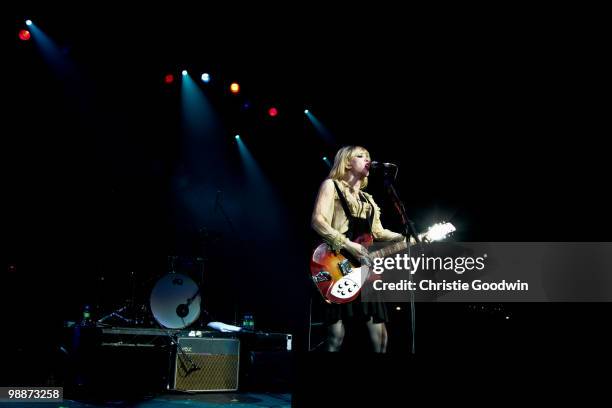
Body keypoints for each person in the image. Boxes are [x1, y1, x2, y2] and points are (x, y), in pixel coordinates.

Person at [311, 145, 405, 353]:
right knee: (336, 336)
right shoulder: (332, 186)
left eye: (369, 156)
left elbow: (379, 232)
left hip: (366, 269)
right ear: (346, 162)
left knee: (380, 337)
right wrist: (348, 244)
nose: (367, 159)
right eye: (361, 156)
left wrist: (408, 238)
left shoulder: (367, 199)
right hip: (337, 264)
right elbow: (318, 221)